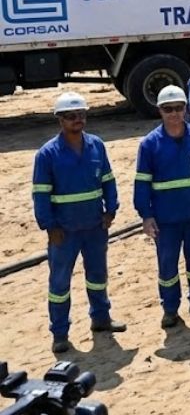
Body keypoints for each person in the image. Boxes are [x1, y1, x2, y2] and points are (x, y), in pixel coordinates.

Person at [32, 92, 125, 354]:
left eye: (81, 115)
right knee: (59, 284)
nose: (78, 120)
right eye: (71, 116)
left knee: (98, 276)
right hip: (64, 231)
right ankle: (60, 333)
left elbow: (108, 180)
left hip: (95, 226)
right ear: (60, 120)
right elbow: (40, 193)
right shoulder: (47, 155)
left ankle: (101, 319)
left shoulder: (96, 145)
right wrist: (49, 226)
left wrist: (111, 210)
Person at [134, 84, 190, 329]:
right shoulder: (149, 144)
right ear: (160, 111)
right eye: (168, 109)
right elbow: (142, 183)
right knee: (167, 266)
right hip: (166, 219)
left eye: (178, 108)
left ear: (185, 108)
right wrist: (146, 215)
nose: (174, 113)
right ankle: (170, 309)